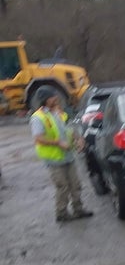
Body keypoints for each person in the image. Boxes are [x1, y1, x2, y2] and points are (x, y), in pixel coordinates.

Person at [30, 86, 93, 222]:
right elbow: (38, 138)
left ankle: (78, 209)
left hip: (68, 156)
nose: (56, 98)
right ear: (45, 100)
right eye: (53, 97)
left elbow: (69, 128)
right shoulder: (38, 118)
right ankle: (62, 213)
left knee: (75, 184)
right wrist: (57, 143)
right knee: (62, 187)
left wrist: (78, 139)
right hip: (54, 159)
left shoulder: (59, 113)